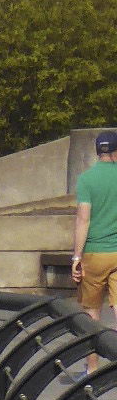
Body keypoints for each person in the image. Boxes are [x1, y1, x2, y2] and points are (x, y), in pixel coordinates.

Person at [71, 129, 117, 377]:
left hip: (95, 253)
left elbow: (83, 219)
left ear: (98, 152)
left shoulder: (86, 179)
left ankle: (92, 368)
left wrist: (77, 257)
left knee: (91, 313)